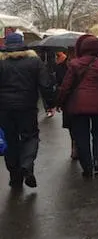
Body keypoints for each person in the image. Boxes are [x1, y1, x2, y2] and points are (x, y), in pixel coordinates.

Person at [57, 34, 98, 178]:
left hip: (78, 106)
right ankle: (97, 162)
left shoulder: (74, 64)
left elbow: (66, 86)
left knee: (81, 136)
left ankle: (87, 167)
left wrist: (60, 102)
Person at [0, 33, 56, 189]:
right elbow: (45, 84)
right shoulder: (35, 62)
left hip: (4, 109)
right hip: (27, 107)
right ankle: (27, 164)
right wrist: (50, 103)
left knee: (10, 141)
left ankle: (15, 176)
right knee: (30, 137)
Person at [54, 48, 79, 160]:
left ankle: (77, 145)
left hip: (78, 98)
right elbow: (58, 82)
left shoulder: (80, 65)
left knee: (79, 124)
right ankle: (75, 144)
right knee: (71, 125)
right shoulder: (60, 66)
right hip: (68, 99)